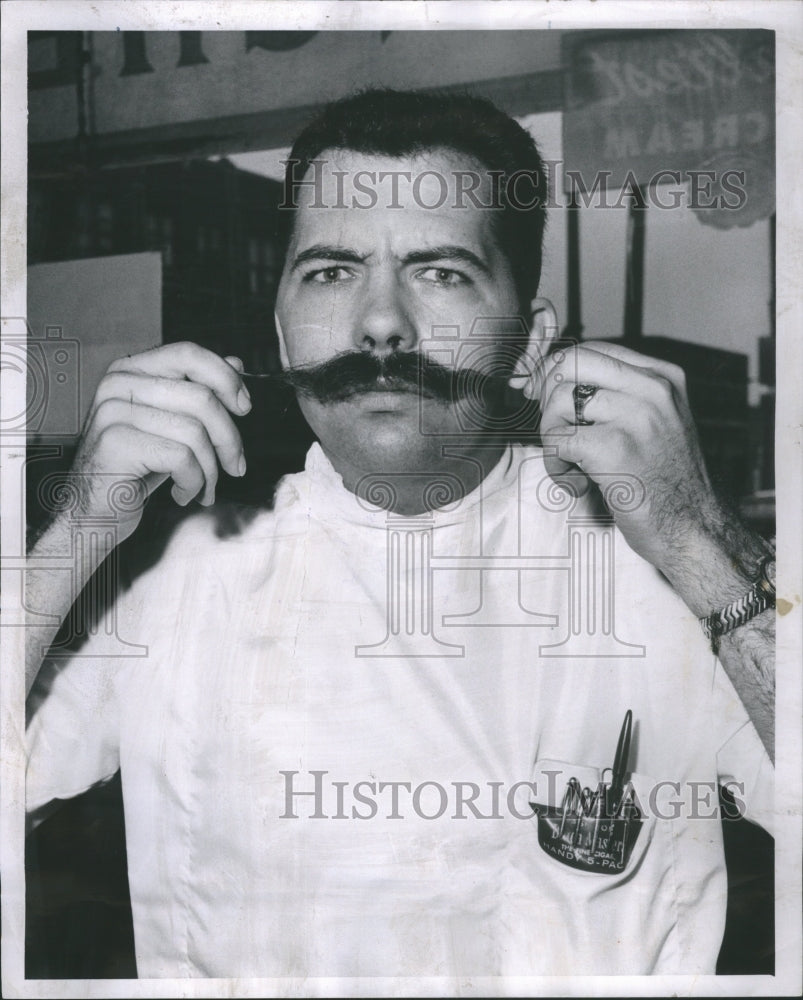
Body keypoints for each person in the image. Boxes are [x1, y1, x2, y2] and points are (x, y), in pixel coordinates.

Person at [25, 88, 775, 979]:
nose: (380, 321)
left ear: (532, 343)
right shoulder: (173, 567)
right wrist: (73, 531)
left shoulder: (657, 565)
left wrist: (695, 537)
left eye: (441, 271)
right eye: (331, 272)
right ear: (279, 324)